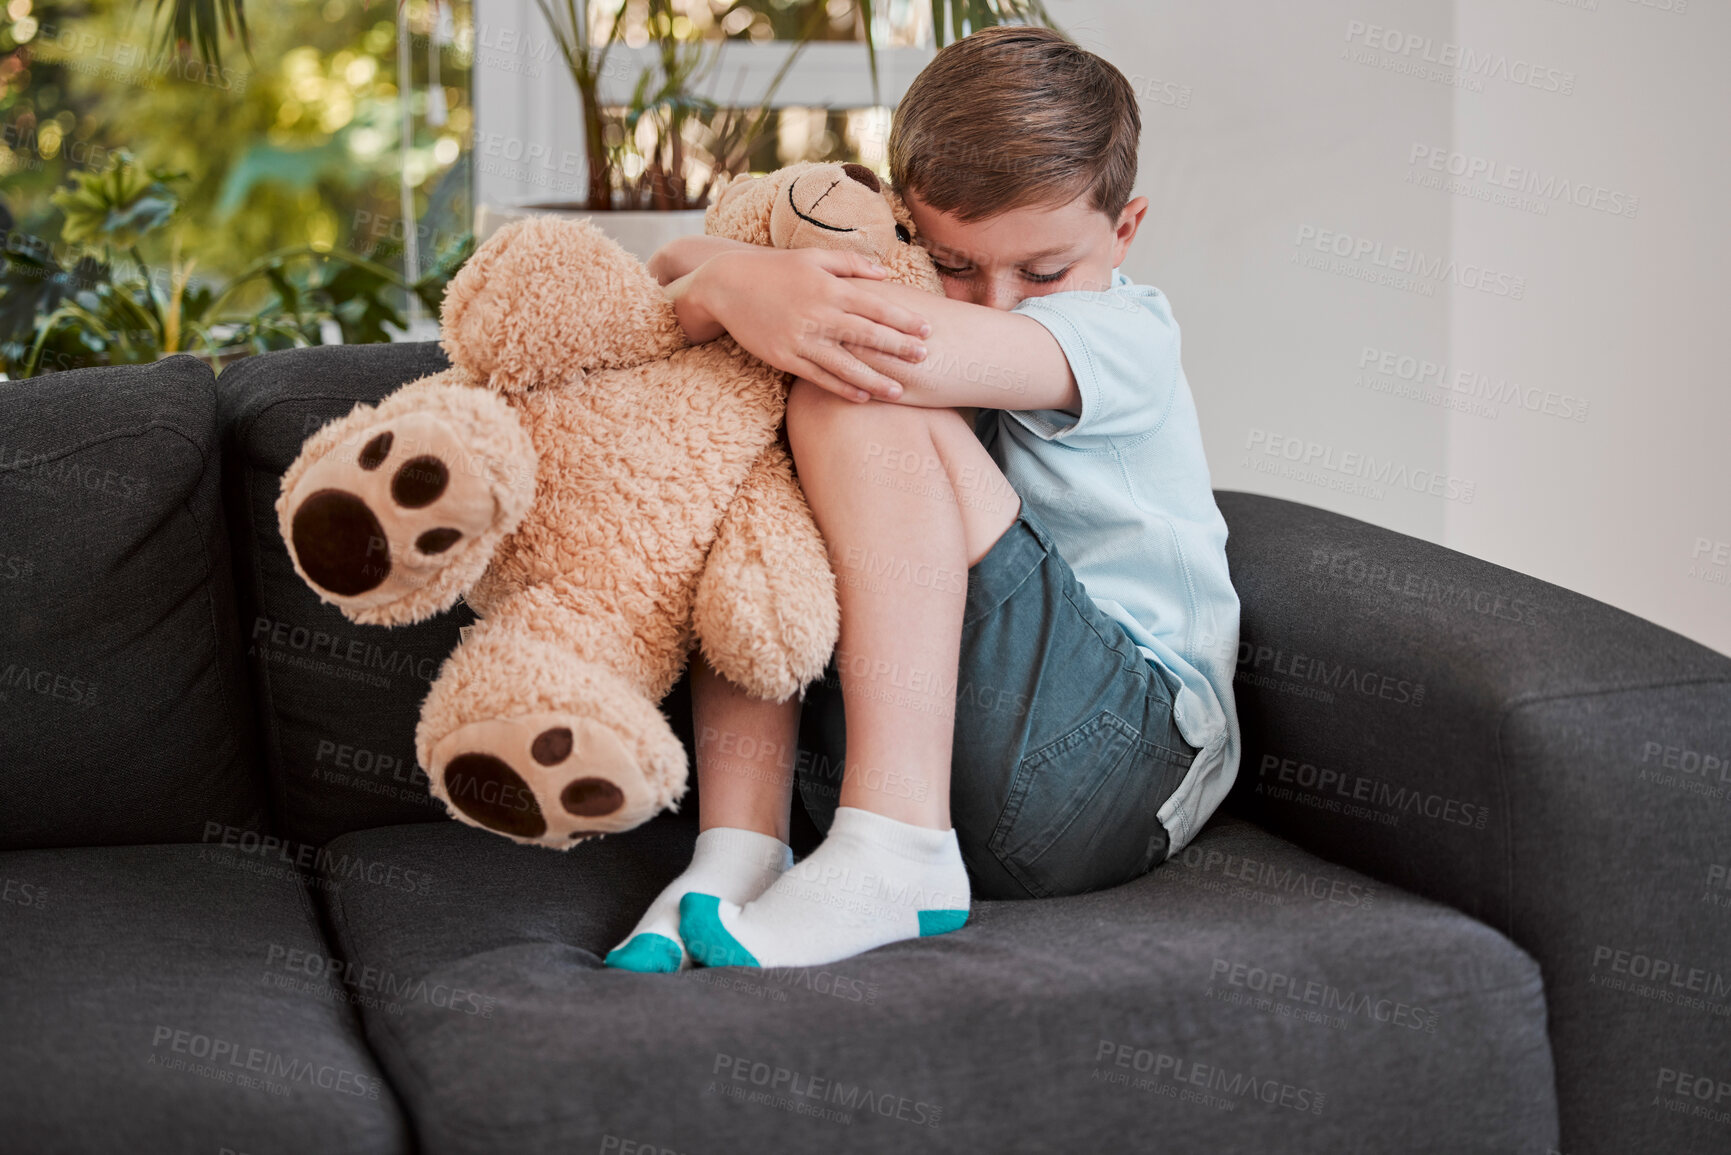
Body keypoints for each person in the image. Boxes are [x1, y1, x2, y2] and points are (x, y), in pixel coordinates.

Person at [603, 26, 1241, 973]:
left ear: (1125, 231)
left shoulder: (1123, 335)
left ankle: (896, 848)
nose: (996, 304)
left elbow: (895, 344)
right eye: (951, 262)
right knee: (751, 411)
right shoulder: (955, 279)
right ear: (904, 221)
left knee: (845, 382)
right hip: (942, 749)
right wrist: (738, 278)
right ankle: (739, 848)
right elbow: (655, 286)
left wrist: (734, 281)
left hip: (1118, 760)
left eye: (1042, 272)